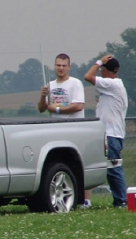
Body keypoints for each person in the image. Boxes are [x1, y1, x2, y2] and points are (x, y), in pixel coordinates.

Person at [38, 53, 92, 207]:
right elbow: (42, 109)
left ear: (69, 67)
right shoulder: (50, 85)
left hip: (75, 128)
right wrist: (43, 97)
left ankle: (86, 200)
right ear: (54, 66)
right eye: (58, 65)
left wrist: (58, 109)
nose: (61, 68)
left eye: (64, 65)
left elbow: (78, 105)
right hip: (56, 129)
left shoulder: (75, 84)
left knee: (80, 163)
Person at [84, 55, 128, 207]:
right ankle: (120, 199)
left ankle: (122, 200)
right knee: (112, 167)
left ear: (105, 70)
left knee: (114, 168)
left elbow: (88, 76)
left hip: (111, 134)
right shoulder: (116, 85)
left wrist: (98, 62)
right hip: (113, 133)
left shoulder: (111, 84)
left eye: (102, 69)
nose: (100, 71)